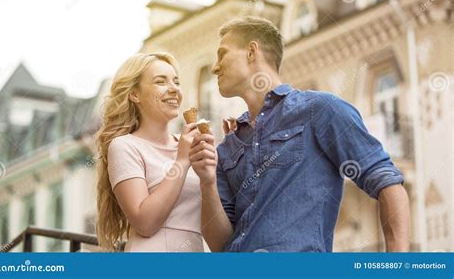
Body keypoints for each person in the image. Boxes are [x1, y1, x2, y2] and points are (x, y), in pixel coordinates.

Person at [189, 16, 411, 252]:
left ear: (251, 51)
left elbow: (388, 184)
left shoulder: (320, 110)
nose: (215, 67)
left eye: (222, 54)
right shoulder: (227, 147)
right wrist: (207, 181)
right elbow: (220, 244)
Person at [96, 52, 204, 252]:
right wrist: (181, 162)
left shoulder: (189, 144)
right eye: (160, 82)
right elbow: (145, 223)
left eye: (176, 82)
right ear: (134, 94)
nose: (174, 89)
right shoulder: (124, 146)